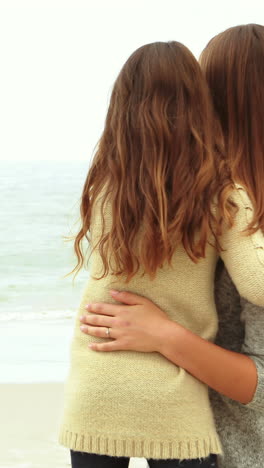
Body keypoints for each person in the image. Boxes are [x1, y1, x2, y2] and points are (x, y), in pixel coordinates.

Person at [59, 40, 264, 468]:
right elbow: (258, 284)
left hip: (95, 384)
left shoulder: (104, 188)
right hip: (172, 398)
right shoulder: (221, 193)